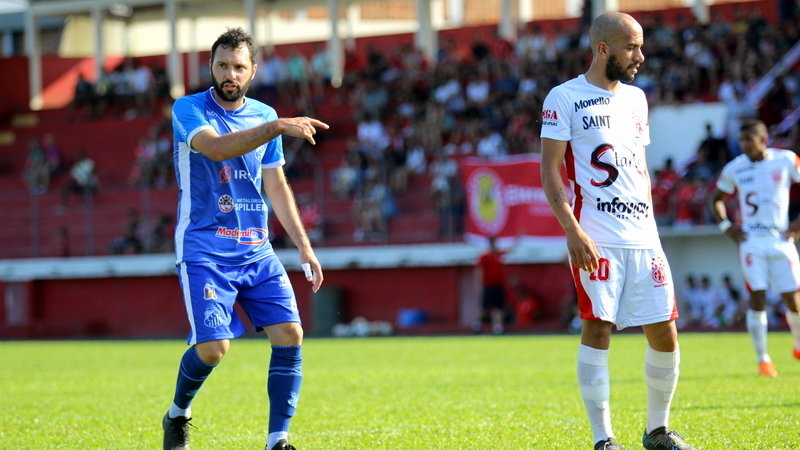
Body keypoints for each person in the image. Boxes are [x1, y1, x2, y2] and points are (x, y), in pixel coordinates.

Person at [162, 27, 328, 450]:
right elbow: (216, 150)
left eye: (238, 66)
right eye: (222, 65)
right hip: (203, 247)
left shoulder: (263, 113)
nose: (229, 73)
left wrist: (304, 245)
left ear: (253, 70)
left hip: (256, 247)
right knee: (215, 348)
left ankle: (278, 441)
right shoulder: (188, 109)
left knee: (290, 333)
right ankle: (177, 414)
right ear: (211, 67)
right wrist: (275, 127)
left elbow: (276, 187)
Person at [540, 12, 696, 450]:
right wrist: (571, 230)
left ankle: (658, 430)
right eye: (631, 47)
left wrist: (650, 224)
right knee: (599, 327)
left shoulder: (637, 100)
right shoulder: (564, 97)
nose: (640, 56)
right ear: (603, 48)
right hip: (597, 233)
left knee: (664, 329)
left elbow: (638, 166)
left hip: (643, 235)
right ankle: (603, 439)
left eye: (641, 46)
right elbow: (550, 170)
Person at [709, 118, 800, 378]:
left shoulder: (786, 160)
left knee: (793, 298)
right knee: (757, 297)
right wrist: (726, 227)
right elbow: (715, 199)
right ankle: (763, 359)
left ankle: (798, 345)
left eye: (749, 139)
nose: (744, 145)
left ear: (763, 140)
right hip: (751, 242)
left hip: (782, 239)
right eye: (741, 140)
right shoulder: (735, 168)